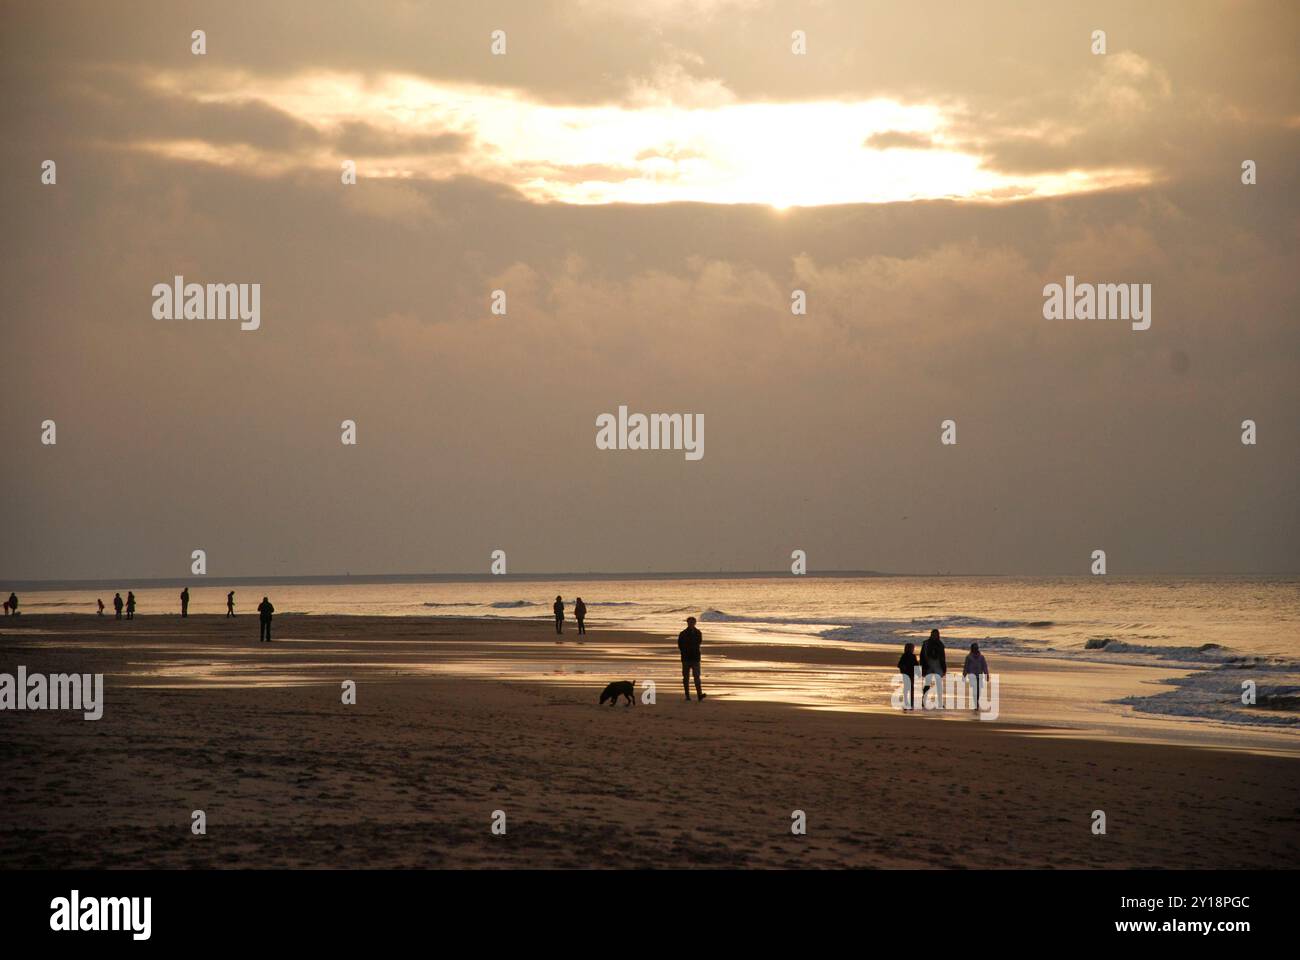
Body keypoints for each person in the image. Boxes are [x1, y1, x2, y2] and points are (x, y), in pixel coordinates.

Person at [678, 616, 706, 701]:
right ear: (687, 623)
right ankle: (687, 696)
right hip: (686, 658)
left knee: (696, 677)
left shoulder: (698, 632)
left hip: (695, 658)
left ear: (695, 623)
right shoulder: (682, 633)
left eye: (693, 622)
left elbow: (699, 643)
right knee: (686, 677)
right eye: (690, 622)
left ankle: (699, 695)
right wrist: (686, 651)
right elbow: (680, 645)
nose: (691, 624)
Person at [920, 628, 946, 708]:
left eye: (936, 634)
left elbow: (943, 657)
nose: (935, 636)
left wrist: (944, 667)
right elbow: (922, 656)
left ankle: (940, 702)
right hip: (929, 664)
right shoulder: (926, 643)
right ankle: (923, 701)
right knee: (927, 684)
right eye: (933, 634)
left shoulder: (941, 644)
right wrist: (923, 667)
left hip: (938, 665)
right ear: (931, 635)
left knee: (939, 684)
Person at [962, 642, 990, 710]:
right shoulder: (968, 657)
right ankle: (976, 703)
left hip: (979, 675)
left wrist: (987, 674)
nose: (975, 649)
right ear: (972, 649)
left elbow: (984, 666)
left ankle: (976, 701)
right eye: (974, 648)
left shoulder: (981, 657)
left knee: (979, 690)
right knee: (975, 690)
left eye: (976, 648)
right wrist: (964, 675)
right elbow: (966, 667)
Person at [897, 642, 918, 711]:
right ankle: (910, 703)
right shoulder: (907, 656)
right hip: (908, 674)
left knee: (908, 689)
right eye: (912, 648)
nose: (912, 649)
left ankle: (909, 702)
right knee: (909, 688)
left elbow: (899, 665)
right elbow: (900, 665)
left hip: (909, 674)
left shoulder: (908, 656)